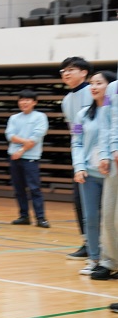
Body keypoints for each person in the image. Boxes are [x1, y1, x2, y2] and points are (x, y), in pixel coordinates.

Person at [71, 71, 116, 276]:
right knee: (91, 218)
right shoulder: (81, 115)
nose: (94, 87)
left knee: (111, 219)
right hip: (89, 174)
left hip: (109, 173)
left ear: (111, 86)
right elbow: (76, 142)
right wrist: (79, 166)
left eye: (99, 83)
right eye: (92, 83)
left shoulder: (111, 112)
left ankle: (110, 258)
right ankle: (94, 258)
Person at [60, 56, 93, 260]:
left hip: (102, 158)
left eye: (71, 69)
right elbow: (75, 131)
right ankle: (88, 243)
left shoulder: (95, 92)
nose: (66, 73)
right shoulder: (66, 100)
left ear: (84, 72)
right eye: (63, 71)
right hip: (82, 159)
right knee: (79, 202)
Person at [6, 89, 50, 228]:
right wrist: (25, 142)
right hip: (14, 158)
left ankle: (40, 217)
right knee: (18, 189)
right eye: (21, 100)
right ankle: (24, 216)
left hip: (30, 158)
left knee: (34, 188)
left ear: (34, 102)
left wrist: (21, 149)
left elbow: (36, 137)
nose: (24, 102)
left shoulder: (40, 117)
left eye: (27, 100)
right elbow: (9, 135)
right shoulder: (14, 118)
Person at [101, 77, 118, 312]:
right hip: (114, 164)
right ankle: (110, 260)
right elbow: (109, 123)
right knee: (110, 219)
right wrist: (108, 150)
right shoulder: (112, 89)